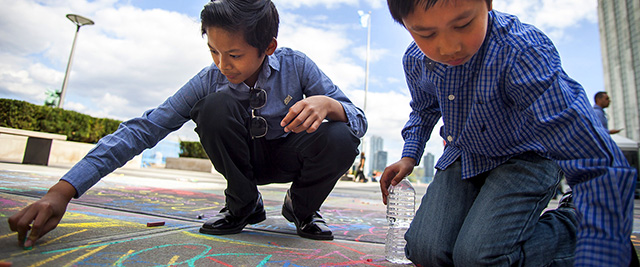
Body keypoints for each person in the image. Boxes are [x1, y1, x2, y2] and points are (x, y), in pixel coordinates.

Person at [8, 0, 367, 246]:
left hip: (294, 156)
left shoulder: (297, 66)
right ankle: (244, 205)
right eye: (213, 51)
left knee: (340, 135)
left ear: (268, 47)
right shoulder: (210, 79)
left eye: (235, 55)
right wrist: (62, 191)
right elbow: (145, 129)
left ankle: (302, 209)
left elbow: (359, 121)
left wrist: (329, 104)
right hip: (245, 160)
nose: (223, 65)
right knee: (214, 106)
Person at [380, 0, 636, 266]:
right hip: (465, 155)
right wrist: (409, 156)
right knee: (426, 251)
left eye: (463, 24)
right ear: (407, 27)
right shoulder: (416, 60)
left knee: (479, 259)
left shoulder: (520, 50)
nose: (448, 47)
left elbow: (573, 132)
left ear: (488, 3)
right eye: (426, 34)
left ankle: (575, 226)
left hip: (526, 156)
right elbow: (423, 109)